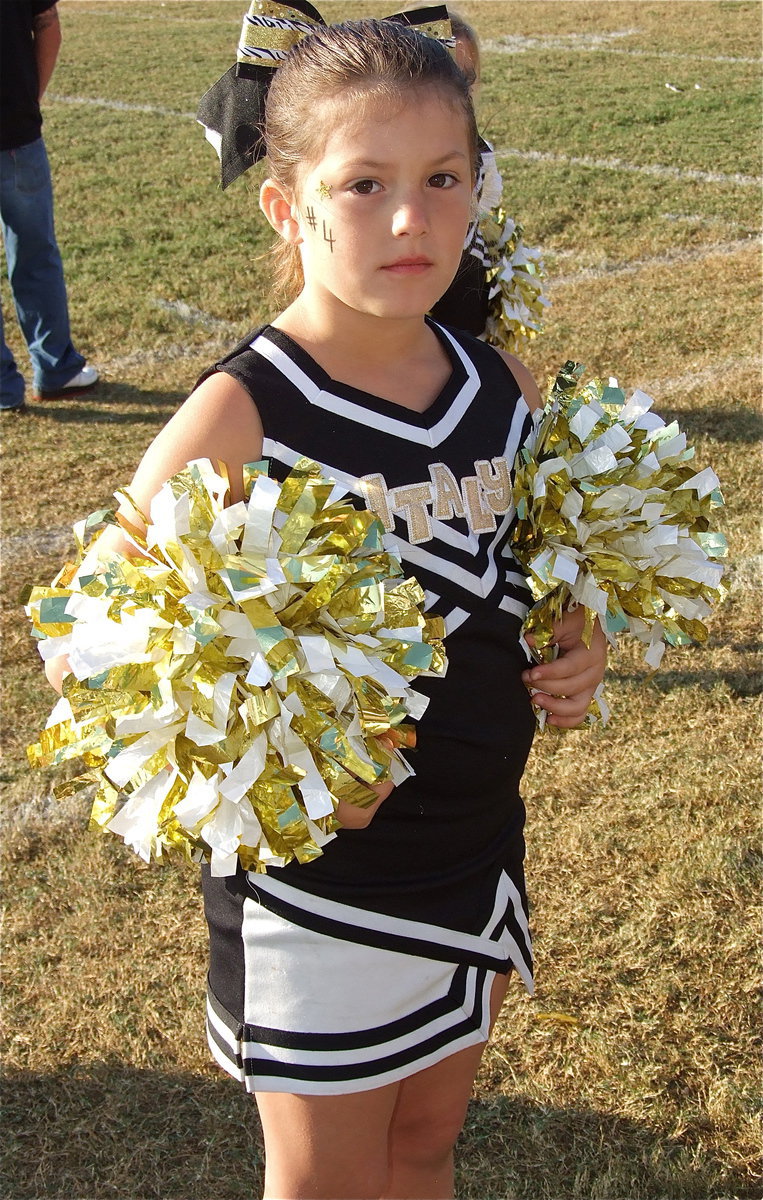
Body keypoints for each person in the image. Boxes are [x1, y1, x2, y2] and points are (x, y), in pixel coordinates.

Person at [47, 15, 606, 1199]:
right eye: (365, 184)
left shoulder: (498, 382)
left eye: (443, 178)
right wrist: (270, 750)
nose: (413, 219)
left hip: (475, 850)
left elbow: (537, 562)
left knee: (424, 1149)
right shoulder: (241, 412)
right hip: (317, 894)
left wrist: (577, 634)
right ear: (286, 205)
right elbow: (89, 653)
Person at [0, 0, 98, 413]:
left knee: (36, 253)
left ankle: (6, 388)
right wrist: (26, 101)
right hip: (16, 132)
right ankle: (56, 368)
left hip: (18, 130)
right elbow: (48, 26)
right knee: (36, 253)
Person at [430, 10, 549, 349]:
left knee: (469, 352)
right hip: (410, 268)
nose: (459, 88)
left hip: (464, 270)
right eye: (445, 74)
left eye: (466, 77)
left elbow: (486, 204)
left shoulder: (480, 147)